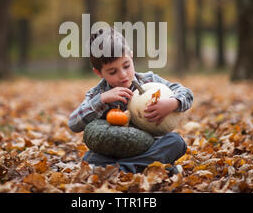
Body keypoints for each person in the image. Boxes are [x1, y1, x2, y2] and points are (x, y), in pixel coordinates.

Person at [68, 26, 194, 174]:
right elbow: (73, 123)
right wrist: (101, 100)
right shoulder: (98, 93)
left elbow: (186, 93)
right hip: (114, 149)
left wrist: (173, 103)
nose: (123, 75)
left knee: (176, 142)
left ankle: (121, 170)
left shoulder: (150, 81)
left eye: (126, 66)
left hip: (150, 146)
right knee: (90, 158)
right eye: (112, 71)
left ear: (131, 57)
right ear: (99, 73)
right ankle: (150, 168)